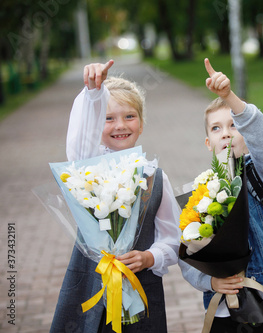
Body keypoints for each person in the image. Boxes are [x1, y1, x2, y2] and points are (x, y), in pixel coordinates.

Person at [50, 60, 181, 332]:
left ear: (142, 124)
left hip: (141, 290)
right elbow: (79, 142)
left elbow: (173, 238)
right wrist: (93, 95)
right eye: (108, 118)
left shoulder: (155, 178)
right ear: (96, 124)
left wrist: (150, 257)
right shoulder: (88, 168)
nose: (120, 125)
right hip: (89, 285)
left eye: (129, 116)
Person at [179, 58, 263, 333]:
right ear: (208, 142)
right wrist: (210, 282)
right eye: (216, 128)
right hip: (222, 306)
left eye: (234, 126)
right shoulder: (200, 191)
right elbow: (186, 250)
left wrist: (229, 97)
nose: (226, 134)